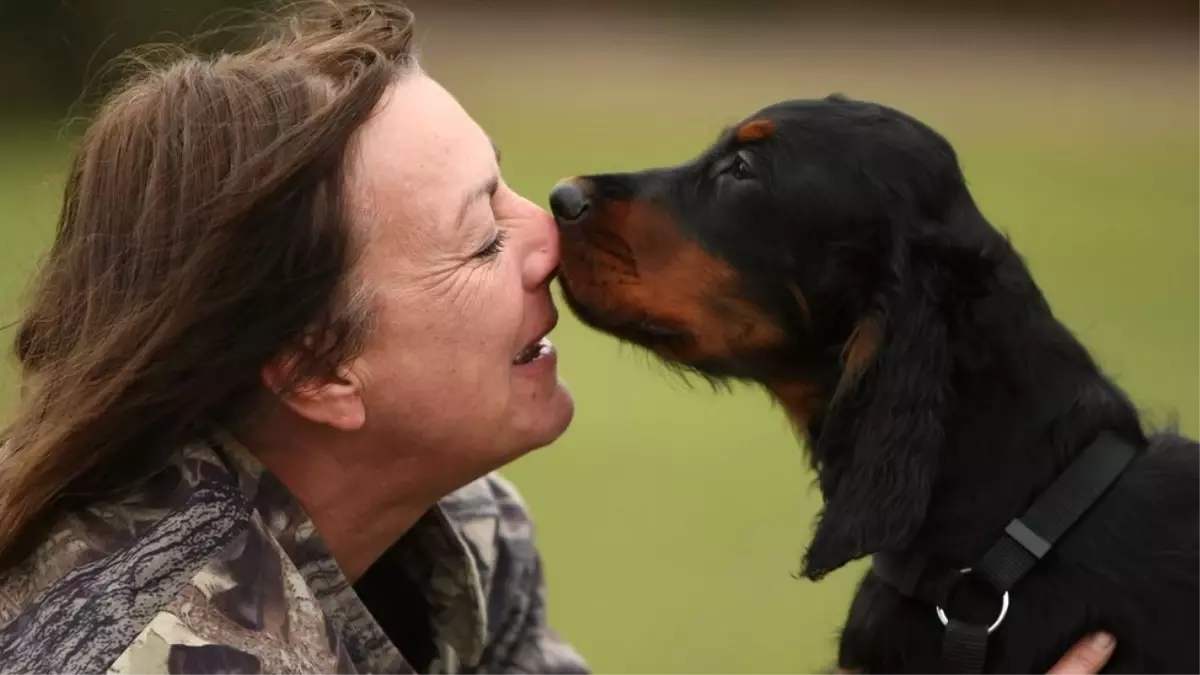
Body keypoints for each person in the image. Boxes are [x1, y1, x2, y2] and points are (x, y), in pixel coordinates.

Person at [0, 1, 1117, 673]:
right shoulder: (158, 650)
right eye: (478, 238)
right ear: (316, 367)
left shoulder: (460, 524)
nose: (547, 236)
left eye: (506, 189)